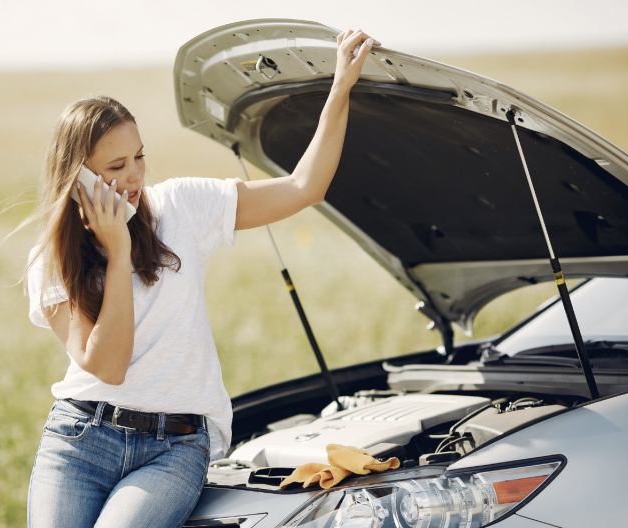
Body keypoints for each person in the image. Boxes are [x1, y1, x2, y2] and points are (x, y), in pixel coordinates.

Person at [24, 29, 378, 528]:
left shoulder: (181, 206)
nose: (134, 177)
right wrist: (118, 253)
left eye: (139, 158)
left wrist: (340, 86)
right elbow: (108, 365)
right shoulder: (51, 258)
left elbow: (304, 187)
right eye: (116, 166)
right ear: (77, 177)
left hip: (174, 448)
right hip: (81, 438)